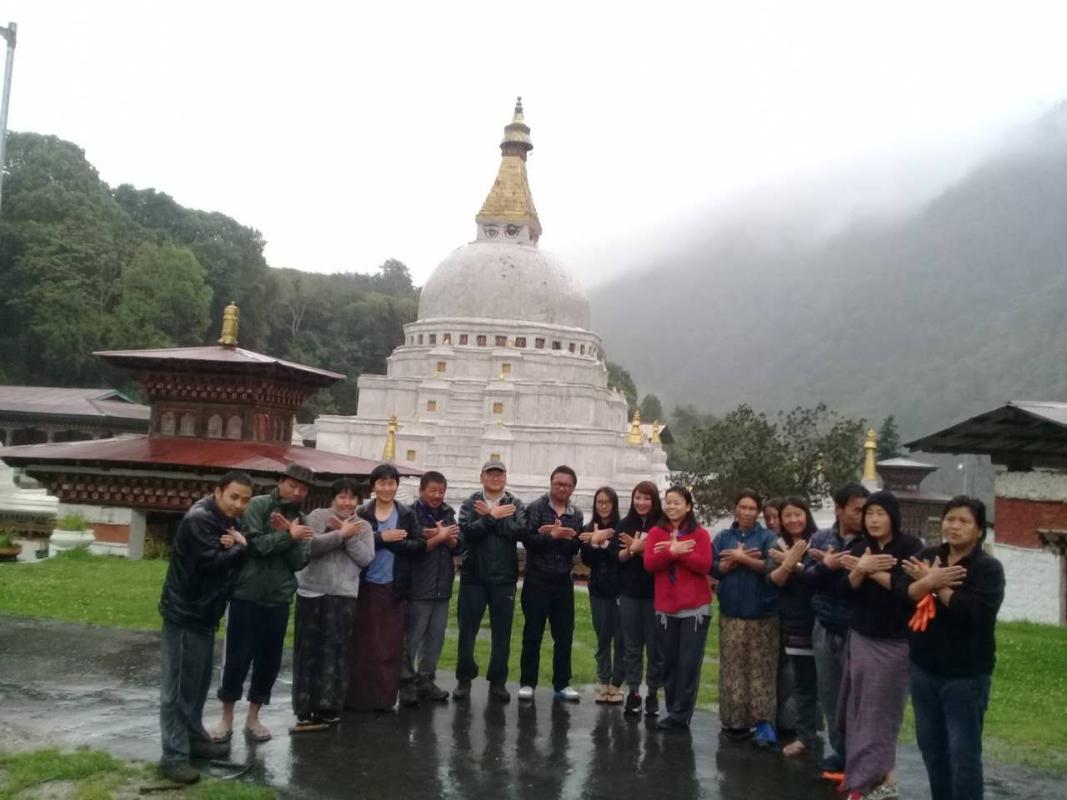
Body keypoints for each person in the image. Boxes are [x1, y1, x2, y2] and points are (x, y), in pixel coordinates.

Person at [902, 496, 1005, 800]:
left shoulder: (987, 569)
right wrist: (925, 583)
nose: (955, 526)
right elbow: (901, 591)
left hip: (965, 677)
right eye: (950, 519)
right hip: (923, 670)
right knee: (932, 749)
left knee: (963, 755)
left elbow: (976, 614)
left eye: (964, 521)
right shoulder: (928, 555)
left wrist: (936, 584)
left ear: (979, 530)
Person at [158, 471, 252, 784]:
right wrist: (238, 549)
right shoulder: (199, 520)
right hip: (186, 613)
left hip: (205, 613)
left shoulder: (228, 521)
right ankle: (173, 756)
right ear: (218, 492)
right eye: (233, 497)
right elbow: (209, 563)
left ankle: (195, 740)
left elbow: (232, 550)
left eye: (245, 500)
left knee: (197, 683)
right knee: (178, 687)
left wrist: (234, 546)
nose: (239, 505)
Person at [214, 463, 314, 743]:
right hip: (247, 593)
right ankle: (226, 718)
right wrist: (287, 536)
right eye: (292, 485)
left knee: (268, 660)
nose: (296, 492)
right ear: (280, 482)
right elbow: (253, 546)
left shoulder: (302, 519)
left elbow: (299, 561)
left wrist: (292, 538)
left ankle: (254, 717)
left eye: (302, 488)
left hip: (279, 598)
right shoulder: (257, 506)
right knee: (237, 657)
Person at [838, 490, 924, 800]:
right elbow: (845, 593)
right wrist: (859, 570)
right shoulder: (861, 547)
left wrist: (869, 570)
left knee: (882, 712)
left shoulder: (910, 547)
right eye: (868, 514)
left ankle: (861, 783)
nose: (873, 520)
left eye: (880, 514)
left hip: (895, 643)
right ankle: (879, 775)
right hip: (862, 637)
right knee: (859, 710)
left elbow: (908, 591)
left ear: (893, 517)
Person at [292, 477, 374, 728]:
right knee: (307, 652)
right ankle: (304, 707)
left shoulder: (363, 526)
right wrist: (340, 533)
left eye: (351, 498)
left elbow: (366, 558)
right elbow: (310, 546)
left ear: (358, 501)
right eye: (341, 497)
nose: (346, 502)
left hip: (343, 596)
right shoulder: (317, 516)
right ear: (333, 498)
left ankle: (328, 706)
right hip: (312, 592)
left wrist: (349, 536)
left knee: (335, 652)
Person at [349, 463, 425, 711]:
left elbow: (419, 545)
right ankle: (359, 696)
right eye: (381, 483)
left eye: (391, 483)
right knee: (363, 641)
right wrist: (382, 538)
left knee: (390, 644)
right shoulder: (362, 513)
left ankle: (384, 698)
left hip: (395, 585)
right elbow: (352, 539)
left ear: (397, 486)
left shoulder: (405, 513)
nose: (386, 488)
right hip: (365, 584)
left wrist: (395, 543)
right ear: (373, 486)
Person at [807, 483, 869, 773]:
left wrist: (841, 569)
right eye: (857, 509)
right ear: (839, 509)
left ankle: (861, 756)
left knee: (856, 697)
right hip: (823, 623)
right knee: (829, 693)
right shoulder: (821, 537)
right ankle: (839, 750)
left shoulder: (869, 544)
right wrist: (827, 567)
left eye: (866, 510)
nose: (863, 516)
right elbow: (807, 578)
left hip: (854, 628)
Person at [454, 460, 526, 702]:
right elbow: (468, 532)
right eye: (490, 474)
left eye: (499, 474)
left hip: (504, 577)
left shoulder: (515, 503)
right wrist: (491, 517)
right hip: (473, 575)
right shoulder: (471, 502)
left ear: (505, 477)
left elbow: (518, 533)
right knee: (467, 632)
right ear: (482, 476)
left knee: (502, 634)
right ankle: (464, 679)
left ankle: (498, 681)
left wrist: (492, 517)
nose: (495, 478)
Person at [711, 489, 779, 747]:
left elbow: (772, 568)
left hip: (762, 614)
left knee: (761, 670)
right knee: (733, 669)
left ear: (758, 512)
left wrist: (743, 559)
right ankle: (734, 721)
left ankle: (763, 724)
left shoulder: (767, 537)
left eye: (752, 508)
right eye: (743, 507)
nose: (747, 512)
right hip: (731, 613)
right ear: (735, 509)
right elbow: (713, 567)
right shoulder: (723, 537)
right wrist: (729, 564)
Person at [643, 485, 713, 731]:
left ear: (688, 506)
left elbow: (704, 565)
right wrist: (672, 551)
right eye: (668, 502)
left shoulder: (700, 534)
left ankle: (680, 714)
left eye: (677, 502)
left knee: (688, 662)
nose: (672, 506)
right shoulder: (655, 533)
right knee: (669, 662)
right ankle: (673, 709)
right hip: (666, 609)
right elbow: (650, 564)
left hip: (694, 610)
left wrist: (678, 553)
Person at [518, 465, 584, 702]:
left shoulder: (575, 513)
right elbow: (527, 540)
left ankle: (562, 683)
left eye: (567, 485)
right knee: (533, 632)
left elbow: (574, 546)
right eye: (558, 483)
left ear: (573, 488)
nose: (562, 488)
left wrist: (563, 538)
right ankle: (527, 682)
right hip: (537, 578)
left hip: (562, 580)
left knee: (564, 634)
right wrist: (552, 537)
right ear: (551, 482)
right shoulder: (535, 508)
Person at [401, 470, 460, 705]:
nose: (437, 495)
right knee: (413, 637)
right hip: (418, 585)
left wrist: (445, 536)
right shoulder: (410, 514)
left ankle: (426, 678)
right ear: (421, 490)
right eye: (433, 491)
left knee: (435, 637)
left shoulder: (448, 512)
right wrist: (439, 537)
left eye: (441, 491)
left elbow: (457, 545)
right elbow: (414, 546)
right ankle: (406, 681)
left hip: (442, 584)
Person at [768, 496, 820, 757]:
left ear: (806, 515)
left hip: (822, 620)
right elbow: (775, 579)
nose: (792, 520)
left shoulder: (820, 542)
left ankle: (838, 743)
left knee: (831, 685)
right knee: (802, 682)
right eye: (787, 515)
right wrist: (788, 564)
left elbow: (820, 577)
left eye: (797, 514)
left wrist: (795, 564)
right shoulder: (778, 544)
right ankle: (805, 735)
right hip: (795, 621)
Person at [616, 481, 665, 717]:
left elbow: (664, 557)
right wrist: (634, 549)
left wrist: (644, 549)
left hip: (656, 594)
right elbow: (618, 556)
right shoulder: (625, 524)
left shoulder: (662, 526)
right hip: (630, 594)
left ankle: (653, 693)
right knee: (632, 647)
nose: (642, 503)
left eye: (647, 498)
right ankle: (634, 692)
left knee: (655, 648)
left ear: (654, 501)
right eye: (638, 498)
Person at [579, 486, 624, 704]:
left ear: (614, 505)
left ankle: (616, 684)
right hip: (598, 589)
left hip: (620, 590)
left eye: (607, 502)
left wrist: (602, 542)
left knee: (620, 638)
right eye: (599, 502)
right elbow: (587, 560)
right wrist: (593, 542)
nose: (603, 506)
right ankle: (604, 681)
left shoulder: (622, 528)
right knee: (602, 637)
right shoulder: (589, 527)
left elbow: (619, 557)